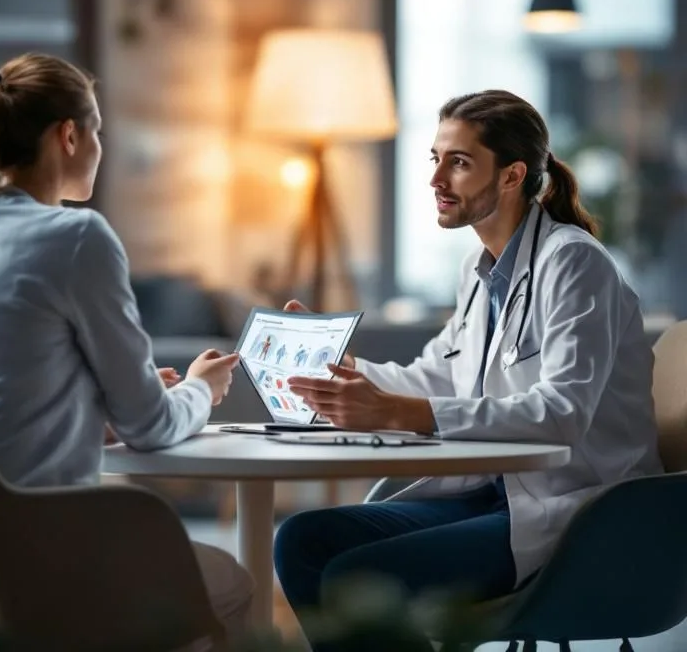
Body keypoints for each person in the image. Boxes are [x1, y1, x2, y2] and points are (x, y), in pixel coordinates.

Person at [274, 89, 663, 649]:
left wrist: (401, 412)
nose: (436, 178)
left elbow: (563, 413)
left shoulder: (574, 263)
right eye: (435, 158)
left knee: (352, 578)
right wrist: (345, 369)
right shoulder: (479, 272)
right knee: (301, 539)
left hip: (580, 513)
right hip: (497, 491)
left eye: (458, 162)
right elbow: (438, 376)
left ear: (511, 175)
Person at [0, 53, 253, 638]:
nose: (101, 145)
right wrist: (202, 388)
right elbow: (151, 427)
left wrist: (87, 410)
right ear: (69, 135)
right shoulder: (75, 236)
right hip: (39, 556)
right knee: (232, 582)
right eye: (97, 129)